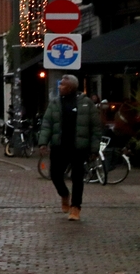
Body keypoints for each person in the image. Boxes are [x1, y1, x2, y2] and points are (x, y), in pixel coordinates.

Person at [37, 74, 99, 222]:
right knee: (55, 174)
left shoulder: (86, 103)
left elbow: (95, 128)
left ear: (71, 87)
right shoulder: (55, 103)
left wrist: (94, 149)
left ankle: (75, 207)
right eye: (59, 85)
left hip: (78, 147)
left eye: (62, 85)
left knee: (77, 178)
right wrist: (43, 142)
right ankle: (64, 194)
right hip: (59, 146)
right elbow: (47, 124)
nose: (59, 87)